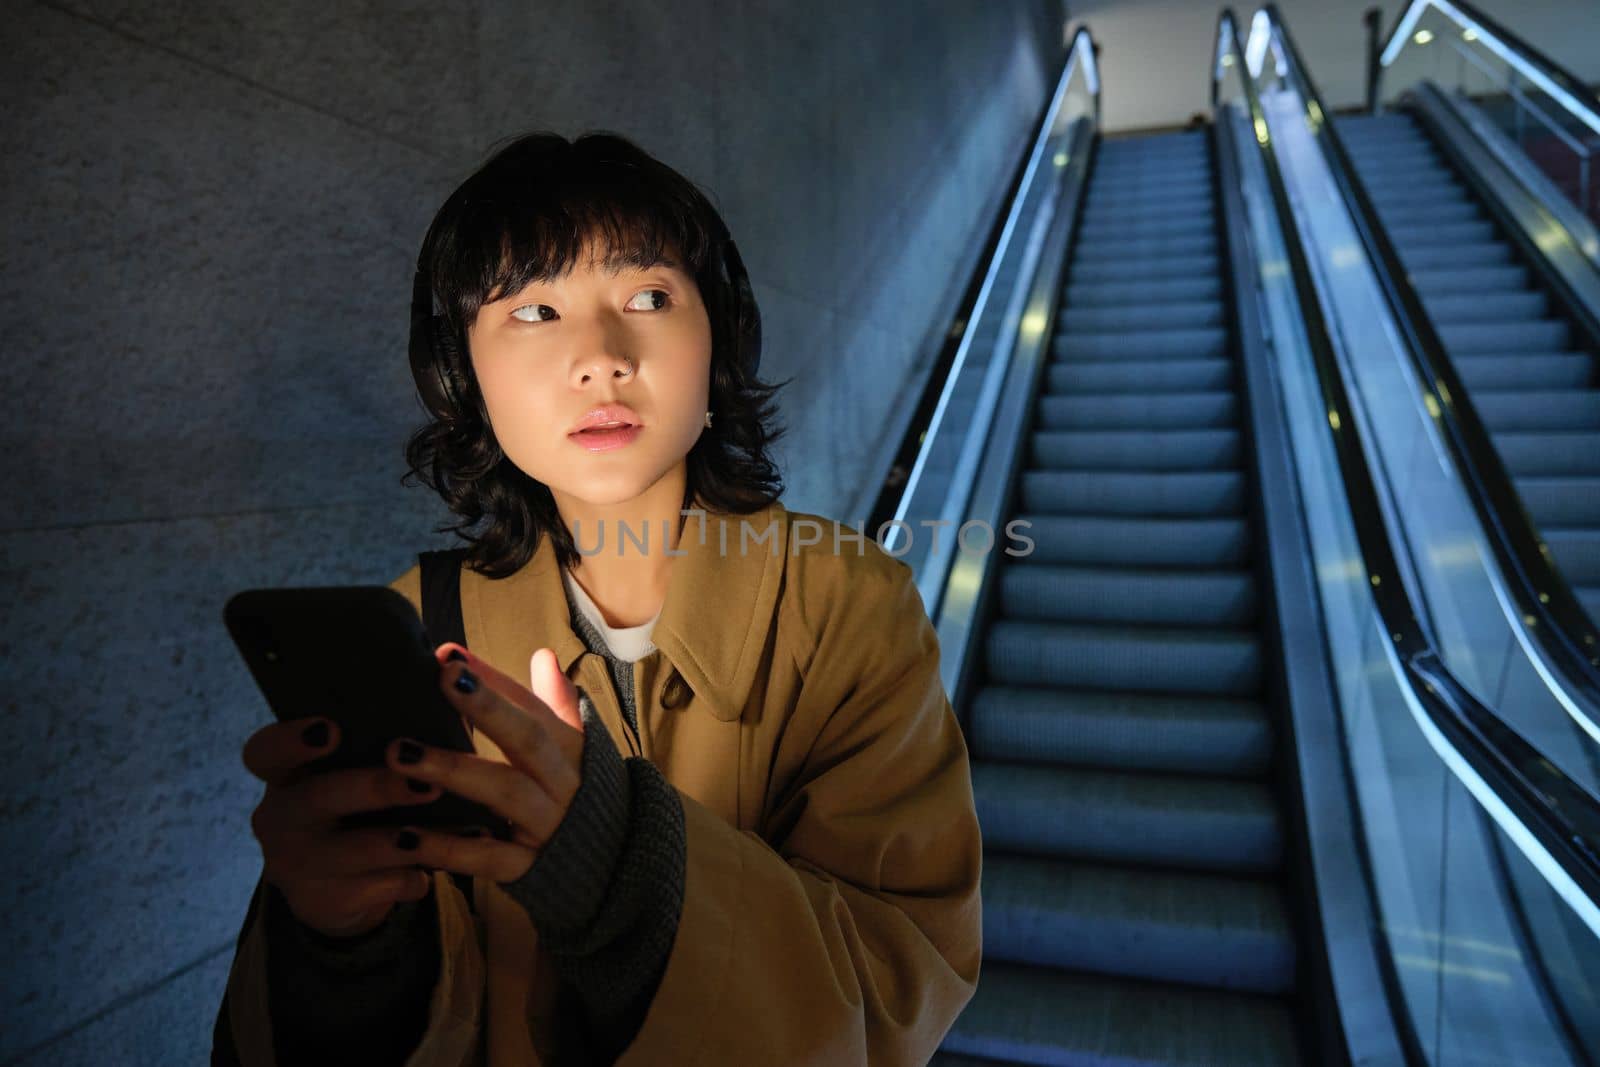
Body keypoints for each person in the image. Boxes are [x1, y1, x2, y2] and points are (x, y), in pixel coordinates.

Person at [212, 129, 983, 1066]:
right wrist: (339, 942)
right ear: (464, 374)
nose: (601, 357)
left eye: (650, 297)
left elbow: (897, 993)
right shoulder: (424, 630)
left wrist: (620, 869)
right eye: (535, 311)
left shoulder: (850, 605)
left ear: (718, 344)